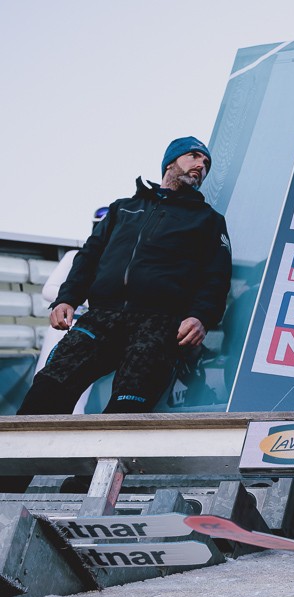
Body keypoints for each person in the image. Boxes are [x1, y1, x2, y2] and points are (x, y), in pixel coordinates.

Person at [18, 137, 232, 415]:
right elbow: (89, 256)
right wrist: (67, 298)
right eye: (194, 156)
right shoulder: (123, 208)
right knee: (45, 393)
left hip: (159, 325)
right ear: (170, 163)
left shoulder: (209, 220)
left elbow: (217, 277)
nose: (201, 165)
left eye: (206, 163)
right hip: (100, 318)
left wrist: (200, 316)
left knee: (126, 411)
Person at [31, 206, 110, 413]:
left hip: (97, 330)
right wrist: (80, 299)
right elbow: (49, 290)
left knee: (79, 391)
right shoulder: (76, 255)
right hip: (66, 325)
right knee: (45, 379)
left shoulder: (117, 263)